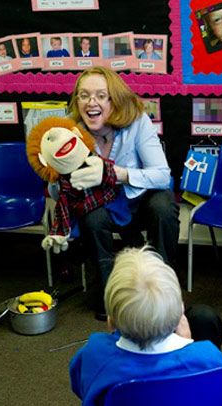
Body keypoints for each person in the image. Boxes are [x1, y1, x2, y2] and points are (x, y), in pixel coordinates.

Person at [63, 66, 180, 321]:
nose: (91, 102)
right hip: (102, 205)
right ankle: (109, 298)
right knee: (91, 219)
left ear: (114, 99)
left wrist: (117, 173)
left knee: (164, 205)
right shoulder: (70, 130)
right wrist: (58, 176)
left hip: (140, 200)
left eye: (100, 95)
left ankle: (162, 288)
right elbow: (57, 192)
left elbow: (162, 175)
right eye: (84, 95)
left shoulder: (137, 121)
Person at [70, 246, 222, 406]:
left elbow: (81, 388)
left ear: (111, 321)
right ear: (181, 311)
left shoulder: (93, 354)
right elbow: (214, 394)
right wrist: (188, 343)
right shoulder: (206, 356)